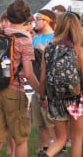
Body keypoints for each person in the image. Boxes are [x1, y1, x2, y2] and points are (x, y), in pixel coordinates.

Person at [0, 0, 40, 157]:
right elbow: (28, 73)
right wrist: (42, 91)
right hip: (15, 92)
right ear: (26, 17)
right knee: (21, 139)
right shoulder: (25, 39)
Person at [39, 11, 83, 157]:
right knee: (77, 139)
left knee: (60, 139)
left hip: (55, 99)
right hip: (76, 99)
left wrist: (42, 97)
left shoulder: (49, 49)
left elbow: (43, 78)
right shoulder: (78, 49)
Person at [31, 9, 56, 156]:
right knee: (39, 120)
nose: (35, 21)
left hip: (50, 84)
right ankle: (43, 147)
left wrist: (45, 50)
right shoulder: (35, 38)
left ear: (47, 20)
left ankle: (56, 146)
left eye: (38, 18)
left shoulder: (56, 37)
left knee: (51, 120)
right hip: (36, 83)